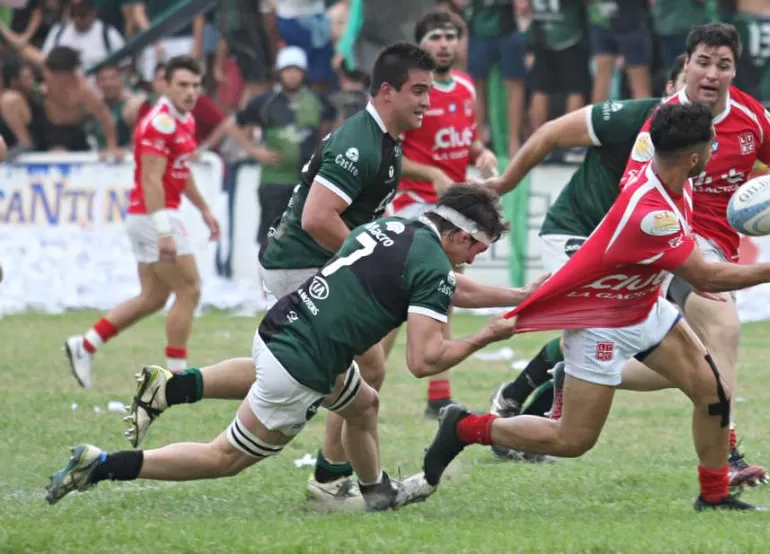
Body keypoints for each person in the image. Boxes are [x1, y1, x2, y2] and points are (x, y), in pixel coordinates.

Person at [422, 104, 770, 512]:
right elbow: (702, 276)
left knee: (712, 392)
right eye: (711, 145)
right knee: (572, 440)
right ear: (693, 157)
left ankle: (715, 494)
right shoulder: (652, 215)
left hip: (645, 305)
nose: (715, 149)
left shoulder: (674, 177)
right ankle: (464, 427)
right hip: (601, 319)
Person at [45, 185, 534, 512]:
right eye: (475, 248)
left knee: (364, 404)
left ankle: (376, 492)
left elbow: (447, 286)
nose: (474, 259)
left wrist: (520, 296)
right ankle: (102, 465)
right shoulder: (432, 267)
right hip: (305, 367)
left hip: (280, 328)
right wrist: (486, 335)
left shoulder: (390, 229)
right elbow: (424, 361)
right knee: (224, 459)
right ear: (454, 234)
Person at [620, 23, 770, 485]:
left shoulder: (752, 117)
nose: (711, 73)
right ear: (686, 65)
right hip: (674, 243)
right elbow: (633, 193)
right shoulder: (663, 122)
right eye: (703, 62)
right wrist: (680, 251)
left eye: (723, 65)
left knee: (693, 363)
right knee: (724, 326)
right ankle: (725, 455)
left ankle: (583, 370)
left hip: (718, 250)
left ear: (734, 70)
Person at [256, 41, 440, 508]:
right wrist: (371, 258)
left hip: (309, 262)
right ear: (385, 92)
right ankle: (333, 480)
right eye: (418, 90)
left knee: (354, 372)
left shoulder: (385, 140)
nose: (426, 101)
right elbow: (318, 218)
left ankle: (335, 476)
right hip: (298, 266)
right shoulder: (360, 143)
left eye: (429, 91)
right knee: (350, 375)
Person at [484, 60, 684, 458]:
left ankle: (533, 401)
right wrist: (505, 183)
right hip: (576, 233)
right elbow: (550, 132)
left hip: (634, 252)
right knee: (596, 322)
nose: (692, 97)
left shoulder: (704, 143)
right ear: (668, 87)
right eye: (685, 85)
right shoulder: (631, 116)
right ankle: (517, 407)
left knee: (656, 354)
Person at [63, 57, 221, 388]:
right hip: (154, 215)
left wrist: (204, 209)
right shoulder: (159, 122)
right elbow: (150, 180)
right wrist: (164, 231)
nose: (190, 92)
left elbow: (180, 169)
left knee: (153, 297)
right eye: (183, 85)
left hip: (153, 213)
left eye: (195, 85)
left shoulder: (184, 119)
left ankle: (86, 344)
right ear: (163, 84)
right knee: (189, 289)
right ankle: (176, 378)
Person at [383, 9, 498, 418]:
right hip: (414, 205)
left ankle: (439, 395)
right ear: (420, 45)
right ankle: (368, 378)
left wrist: (481, 153)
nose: (445, 43)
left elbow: (469, 140)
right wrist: (430, 172)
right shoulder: (411, 92)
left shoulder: (467, 87)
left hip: (454, 210)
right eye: (435, 36)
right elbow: (390, 151)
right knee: (397, 300)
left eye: (451, 36)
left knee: (445, 294)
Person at [216, 47, 325, 251]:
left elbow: (336, 122)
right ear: (279, 73)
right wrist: (255, 151)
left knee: (306, 239)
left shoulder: (317, 101)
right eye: (287, 70)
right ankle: (266, 282)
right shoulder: (265, 102)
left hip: (307, 183)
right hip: (274, 182)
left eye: (296, 70)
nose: (292, 75)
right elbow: (232, 124)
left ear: (303, 72)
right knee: (270, 238)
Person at [455, 0, 529, 156]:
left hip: (480, 26)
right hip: (508, 23)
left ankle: (477, 143)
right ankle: (513, 143)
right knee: (514, 84)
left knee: (478, 86)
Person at [0, 35, 119, 156]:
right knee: (9, 100)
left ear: (68, 74)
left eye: (54, 74)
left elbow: (106, 118)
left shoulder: (83, 90)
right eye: (48, 71)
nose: (48, 76)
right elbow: (21, 48)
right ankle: (25, 144)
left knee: (58, 153)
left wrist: (111, 147)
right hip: (43, 123)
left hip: (70, 133)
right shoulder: (48, 65)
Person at [527, 0, 591, 136]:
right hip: (569, 33)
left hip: (540, 33)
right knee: (575, 88)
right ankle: (570, 141)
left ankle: (537, 143)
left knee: (540, 88)